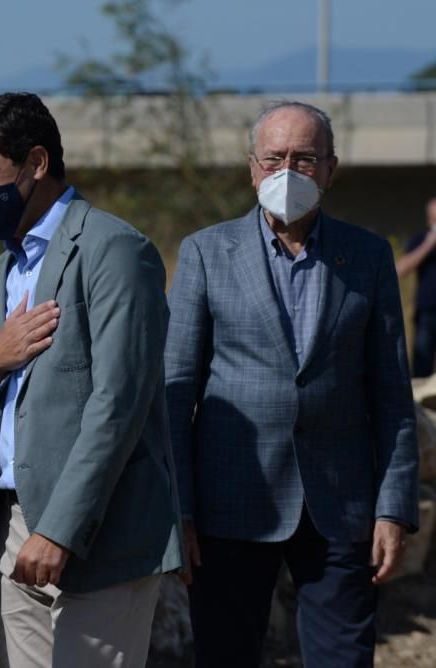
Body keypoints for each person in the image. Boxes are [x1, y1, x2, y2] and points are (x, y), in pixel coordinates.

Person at [165, 100, 420, 668]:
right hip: (230, 504)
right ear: (252, 168)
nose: (287, 172)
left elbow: (391, 397)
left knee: (344, 657)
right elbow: (175, 392)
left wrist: (394, 508)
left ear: (330, 168)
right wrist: (178, 509)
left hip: (340, 505)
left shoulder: (369, 255)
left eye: (304, 159)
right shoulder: (206, 253)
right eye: (275, 157)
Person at [0, 92, 183, 668]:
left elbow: (119, 405)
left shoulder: (115, 250)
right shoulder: (7, 265)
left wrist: (58, 530)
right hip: (13, 522)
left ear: (35, 163)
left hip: (98, 530)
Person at [396, 197, 436, 377]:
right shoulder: (421, 240)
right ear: (429, 220)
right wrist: (428, 244)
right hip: (427, 311)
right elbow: (400, 269)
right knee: (422, 360)